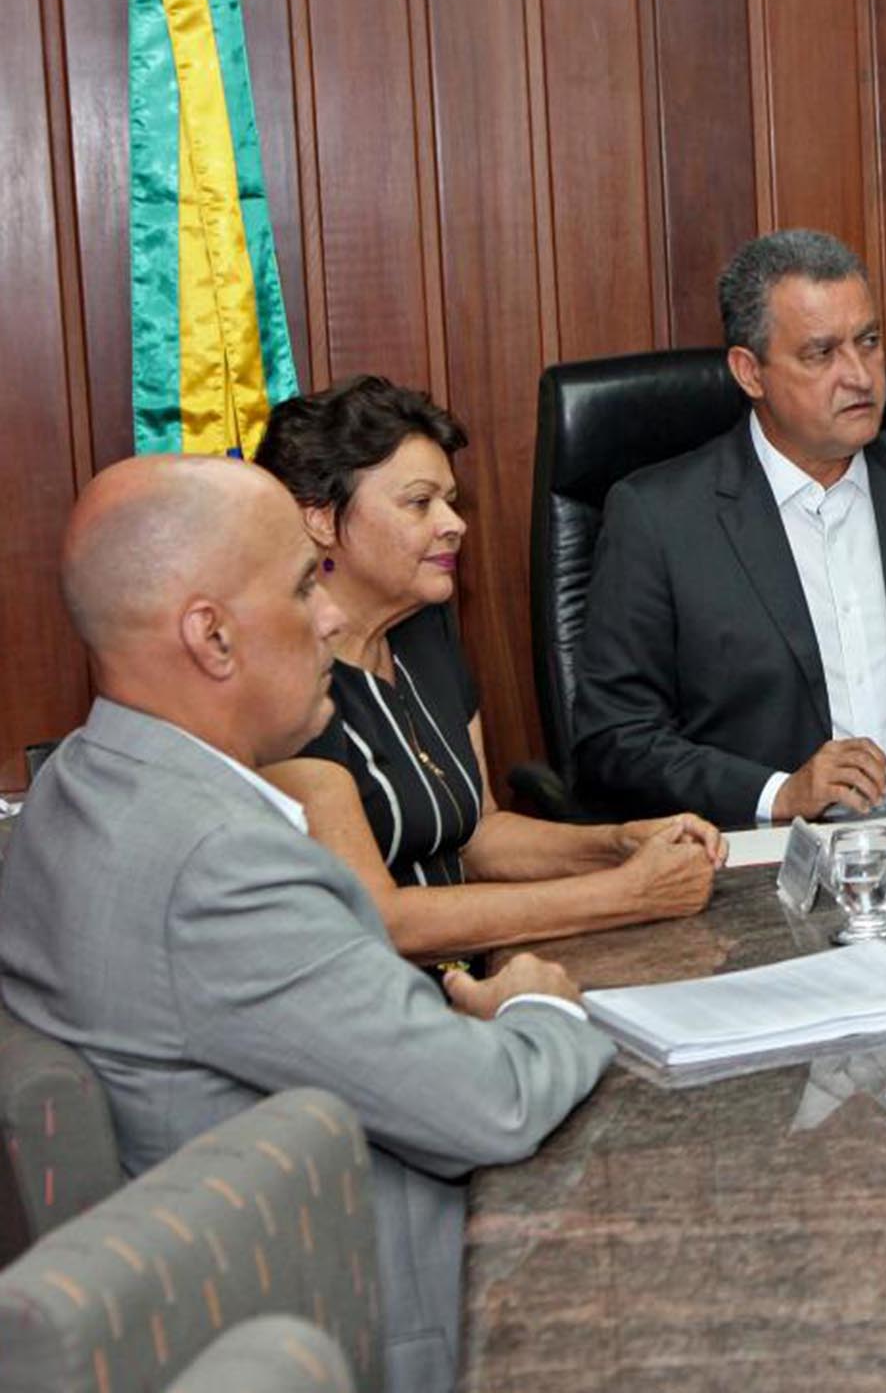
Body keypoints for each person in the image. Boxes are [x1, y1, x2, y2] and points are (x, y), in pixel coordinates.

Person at [0, 455, 616, 1393]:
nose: (331, 620)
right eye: (303, 586)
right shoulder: (219, 867)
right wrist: (543, 1008)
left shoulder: (73, 788)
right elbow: (492, 1104)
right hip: (381, 1302)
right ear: (211, 637)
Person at [573, 228, 886, 828]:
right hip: (759, 863)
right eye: (821, 354)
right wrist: (779, 793)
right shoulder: (658, 518)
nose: (860, 376)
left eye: (869, 342)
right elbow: (615, 736)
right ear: (750, 373)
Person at [252, 377, 722, 963]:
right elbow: (379, 917)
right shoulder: (287, 682)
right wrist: (622, 894)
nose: (455, 523)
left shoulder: (424, 628)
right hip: (372, 1006)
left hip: (473, 976)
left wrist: (618, 844)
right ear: (321, 519)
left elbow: (476, 835)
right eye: (420, 503)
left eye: (450, 500)